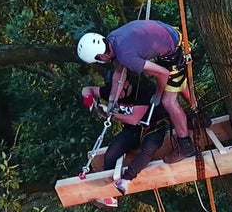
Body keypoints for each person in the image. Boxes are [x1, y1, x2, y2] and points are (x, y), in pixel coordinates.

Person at [77, 20, 194, 164]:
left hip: (175, 50)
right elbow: (119, 74)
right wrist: (112, 102)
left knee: (168, 101)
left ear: (101, 56)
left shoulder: (127, 57)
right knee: (178, 84)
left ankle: (185, 145)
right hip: (169, 36)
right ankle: (197, 115)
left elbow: (163, 74)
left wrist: (157, 94)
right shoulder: (113, 39)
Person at [81, 75, 170, 208]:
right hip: (131, 131)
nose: (117, 94)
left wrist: (110, 114)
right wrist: (89, 99)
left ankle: (127, 179)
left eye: (119, 89)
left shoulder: (141, 93)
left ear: (127, 84)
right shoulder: (112, 92)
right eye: (113, 90)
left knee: (149, 149)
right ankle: (110, 195)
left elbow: (134, 119)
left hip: (153, 127)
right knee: (112, 152)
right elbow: (87, 89)